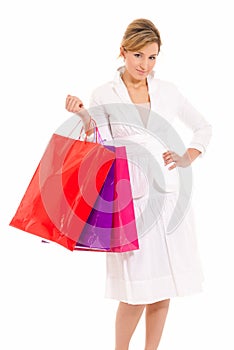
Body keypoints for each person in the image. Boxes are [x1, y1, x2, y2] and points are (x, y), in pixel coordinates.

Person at [65, 18, 212, 350]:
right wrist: (83, 115)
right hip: (130, 201)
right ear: (123, 52)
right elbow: (98, 140)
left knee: (163, 288)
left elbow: (203, 128)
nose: (145, 65)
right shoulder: (104, 93)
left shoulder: (169, 92)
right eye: (139, 56)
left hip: (169, 197)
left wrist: (188, 155)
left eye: (152, 57)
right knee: (135, 291)